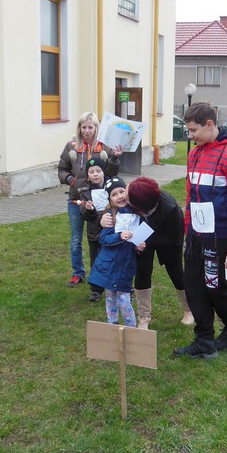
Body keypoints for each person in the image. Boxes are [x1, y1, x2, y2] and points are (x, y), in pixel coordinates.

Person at [172, 102, 227, 361]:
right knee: (193, 286)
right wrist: (188, 232)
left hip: (219, 236)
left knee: (215, 285)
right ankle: (204, 339)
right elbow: (190, 197)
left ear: (209, 125)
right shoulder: (194, 154)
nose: (190, 135)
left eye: (193, 130)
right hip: (196, 235)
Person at [58, 112, 122, 287]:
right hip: (77, 200)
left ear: (96, 128)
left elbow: (111, 173)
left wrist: (115, 157)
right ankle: (78, 273)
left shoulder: (104, 147)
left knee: (101, 237)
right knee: (76, 239)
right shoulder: (71, 147)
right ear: (79, 128)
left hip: (100, 201)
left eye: (90, 127)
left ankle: (103, 272)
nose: (87, 131)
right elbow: (62, 169)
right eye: (83, 127)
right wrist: (71, 180)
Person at [124, 176, 193, 330]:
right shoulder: (132, 200)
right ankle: (144, 316)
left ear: (140, 204)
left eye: (128, 196)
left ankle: (189, 309)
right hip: (142, 235)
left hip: (167, 239)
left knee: (175, 271)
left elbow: (175, 240)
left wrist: (149, 238)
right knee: (142, 271)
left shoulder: (171, 209)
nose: (124, 197)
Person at [88, 177, 145, 327]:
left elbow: (140, 239)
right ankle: (112, 327)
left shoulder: (137, 213)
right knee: (110, 299)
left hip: (126, 265)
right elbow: (103, 239)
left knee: (124, 300)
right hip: (110, 265)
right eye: (114, 194)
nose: (119, 196)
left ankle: (132, 329)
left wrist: (139, 246)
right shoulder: (110, 216)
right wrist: (119, 236)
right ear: (110, 199)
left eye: (121, 191)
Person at [78, 157, 112, 302]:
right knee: (96, 261)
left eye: (98, 171)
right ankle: (96, 289)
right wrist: (89, 210)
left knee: (115, 258)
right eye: (92, 172)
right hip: (95, 234)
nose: (95, 174)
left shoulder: (111, 187)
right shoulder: (85, 192)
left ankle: (118, 285)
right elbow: (84, 215)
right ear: (88, 175)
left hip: (111, 231)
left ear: (104, 172)